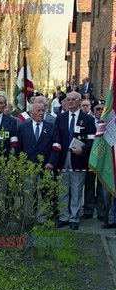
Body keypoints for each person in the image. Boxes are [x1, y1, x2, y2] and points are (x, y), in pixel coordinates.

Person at [55, 92, 96, 230]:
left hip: (78, 159)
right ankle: (63, 217)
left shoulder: (87, 119)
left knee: (77, 190)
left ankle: (74, 218)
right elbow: (55, 139)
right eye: (68, 100)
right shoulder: (60, 118)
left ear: (79, 102)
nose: (70, 102)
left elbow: (92, 141)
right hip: (62, 159)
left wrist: (83, 149)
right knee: (63, 190)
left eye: (73, 100)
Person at [17, 102, 61, 223]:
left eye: (43, 110)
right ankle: (28, 217)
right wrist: (19, 165)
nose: (42, 113)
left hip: (45, 167)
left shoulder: (51, 127)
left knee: (43, 194)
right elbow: (19, 147)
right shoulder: (23, 128)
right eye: (38, 111)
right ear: (31, 113)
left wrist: (51, 162)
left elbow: (57, 145)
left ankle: (42, 218)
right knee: (28, 193)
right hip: (28, 166)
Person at [83, 99, 106, 222]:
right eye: (98, 109)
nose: (100, 111)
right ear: (93, 110)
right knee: (89, 185)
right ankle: (88, 210)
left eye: (103, 109)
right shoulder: (88, 121)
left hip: (103, 159)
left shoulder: (109, 123)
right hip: (89, 158)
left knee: (102, 186)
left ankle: (102, 212)